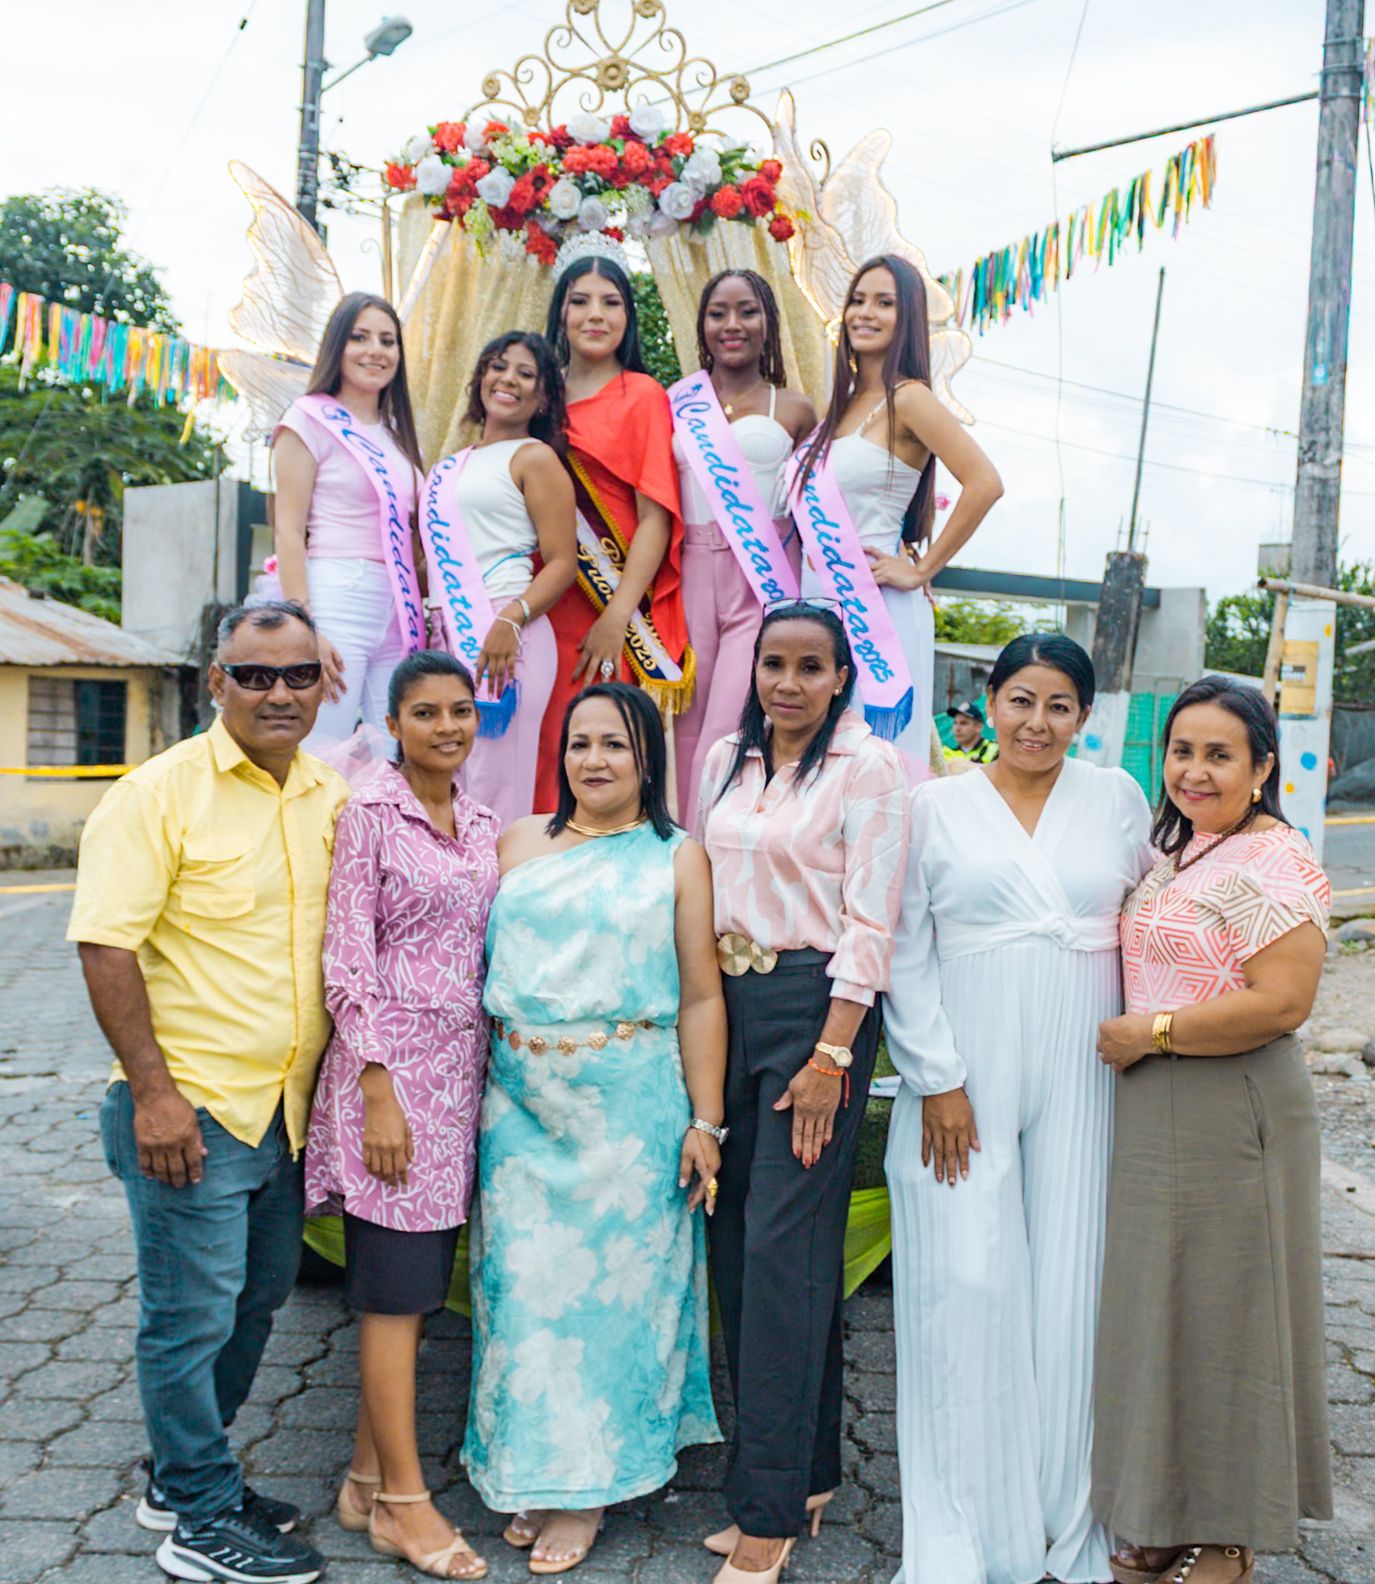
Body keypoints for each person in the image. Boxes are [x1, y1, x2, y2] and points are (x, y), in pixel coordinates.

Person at [67, 601, 347, 1584]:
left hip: (285, 1111)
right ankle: (200, 1517)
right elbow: (106, 946)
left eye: (298, 674)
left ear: (325, 684)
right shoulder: (157, 795)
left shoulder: (329, 794)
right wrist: (154, 1095)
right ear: (216, 682)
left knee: (256, 1303)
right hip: (191, 1111)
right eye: (255, 675)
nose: (279, 693)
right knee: (188, 1320)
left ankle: (183, 1472)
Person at [882, 633, 1154, 1584]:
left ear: (1084, 716)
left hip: (1086, 1066)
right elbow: (904, 948)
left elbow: (1153, 918)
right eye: (1021, 700)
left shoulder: (1117, 799)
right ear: (989, 701)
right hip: (964, 1069)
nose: (1037, 723)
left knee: (1072, 1289)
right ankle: (968, 1526)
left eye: (1059, 705)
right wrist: (936, 1079)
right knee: (964, 1282)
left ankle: (1063, 1516)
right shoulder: (932, 806)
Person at [462, 683, 725, 1575]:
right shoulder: (515, 843)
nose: (595, 759)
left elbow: (701, 996)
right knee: (521, 1297)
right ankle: (533, 1469)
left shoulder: (677, 856)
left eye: (616, 743)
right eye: (580, 742)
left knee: (613, 1307)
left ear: (648, 758)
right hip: (518, 1109)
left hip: (629, 1117)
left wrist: (706, 1121)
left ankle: (588, 1490)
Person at [1092, 676, 1332, 1584]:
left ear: (1263, 767)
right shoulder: (1187, 848)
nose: (1194, 770)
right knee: (1165, 1311)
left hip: (1232, 1101)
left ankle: (1230, 1534)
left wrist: (1149, 1032)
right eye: (1182, 751)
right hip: (1159, 1105)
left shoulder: (1274, 860)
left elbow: (1283, 1003)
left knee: (1232, 1316)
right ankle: (1163, 1512)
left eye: (1219, 755)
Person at [696, 601, 909, 1584]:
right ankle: (809, 1469)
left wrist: (831, 1056)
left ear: (840, 677)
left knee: (782, 1253)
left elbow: (872, 921)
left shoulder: (869, 768)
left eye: (809, 666)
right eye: (773, 663)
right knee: (742, 1253)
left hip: (812, 1014)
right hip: (722, 1005)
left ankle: (768, 1515)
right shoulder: (726, 759)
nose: (788, 682)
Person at [304, 651, 501, 1579]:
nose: (447, 727)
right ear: (393, 724)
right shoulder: (369, 815)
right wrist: (377, 1091)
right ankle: (403, 1506)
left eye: (460, 711)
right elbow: (347, 961)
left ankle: (361, 1480)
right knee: (393, 1295)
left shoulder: (483, 823)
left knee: (417, 1290)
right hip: (390, 1088)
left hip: (459, 1087)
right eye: (426, 713)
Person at [794, 254, 1003, 778]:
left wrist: (921, 568)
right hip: (816, 602)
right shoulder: (840, 405)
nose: (865, 313)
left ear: (906, 317)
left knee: (874, 766)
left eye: (884, 303)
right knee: (816, 768)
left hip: (877, 609)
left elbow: (985, 482)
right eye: (858, 300)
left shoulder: (910, 399)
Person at [535, 238, 691, 812]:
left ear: (629, 315)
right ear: (560, 311)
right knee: (542, 744)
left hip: (608, 603)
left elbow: (655, 517)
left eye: (611, 302)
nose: (595, 315)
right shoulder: (538, 392)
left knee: (600, 751)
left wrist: (617, 615)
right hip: (544, 596)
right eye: (580, 301)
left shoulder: (643, 395)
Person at [670, 268, 816, 822]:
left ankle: (718, 848)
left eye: (747, 311)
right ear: (702, 325)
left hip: (761, 578)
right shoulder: (677, 403)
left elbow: (824, 503)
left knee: (727, 729)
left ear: (768, 323)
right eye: (718, 313)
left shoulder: (795, 408)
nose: (732, 324)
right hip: (688, 573)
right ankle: (688, 855)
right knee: (685, 731)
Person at [421, 331, 578, 825]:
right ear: (481, 377)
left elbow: (563, 562)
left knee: (495, 790)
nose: (508, 379)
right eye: (498, 366)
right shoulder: (449, 466)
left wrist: (510, 619)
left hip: (507, 634)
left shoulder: (534, 457)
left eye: (525, 374)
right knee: (449, 784)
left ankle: (498, 878)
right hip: (446, 635)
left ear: (543, 396)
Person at [273, 292, 426, 743]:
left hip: (397, 606)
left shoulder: (397, 435)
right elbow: (288, 530)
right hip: (336, 597)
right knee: (324, 746)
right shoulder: (308, 419)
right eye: (360, 337)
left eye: (387, 341)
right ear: (337, 345)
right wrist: (306, 627)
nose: (375, 351)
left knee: (396, 752)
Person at [946, 699, 998, 763]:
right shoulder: (946, 754)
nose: (957, 728)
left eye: (963, 723)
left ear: (979, 727)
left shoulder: (995, 750)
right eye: (955, 723)